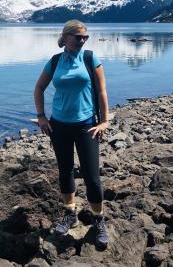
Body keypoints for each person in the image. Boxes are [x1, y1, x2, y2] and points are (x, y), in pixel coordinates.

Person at [34, 20, 110, 248]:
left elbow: (102, 90)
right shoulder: (55, 61)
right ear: (65, 37)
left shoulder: (90, 58)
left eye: (85, 37)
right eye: (78, 37)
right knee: (65, 170)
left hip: (86, 125)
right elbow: (39, 88)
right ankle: (70, 213)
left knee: (92, 176)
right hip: (59, 126)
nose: (83, 40)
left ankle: (98, 219)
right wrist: (41, 116)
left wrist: (105, 121)